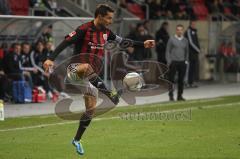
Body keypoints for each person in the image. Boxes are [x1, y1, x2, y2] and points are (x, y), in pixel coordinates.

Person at [43, 4, 155, 156]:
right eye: (108, 18)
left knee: (91, 110)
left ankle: (76, 140)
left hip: (89, 78)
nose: (110, 21)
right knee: (87, 67)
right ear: (100, 16)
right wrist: (50, 59)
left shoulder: (106, 33)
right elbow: (66, 42)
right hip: (75, 70)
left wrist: (143, 44)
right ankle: (110, 94)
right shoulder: (84, 29)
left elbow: (123, 41)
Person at [166, 24, 189, 101]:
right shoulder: (171, 39)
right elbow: (168, 51)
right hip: (173, 62)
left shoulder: (185, 40)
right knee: (171, 80)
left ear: (183, 31)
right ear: (176, 31)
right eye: (178, 30)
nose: (179, 31)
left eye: (181, 30)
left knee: (181, 80)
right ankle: (171, 95)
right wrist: (169, 61)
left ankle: (180, 96)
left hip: (182, 62)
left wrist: (186, 61)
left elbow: (187, 51)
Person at [185, 20, 200, 88]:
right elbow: (190, 42)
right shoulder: (188, 31)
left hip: (194, 53)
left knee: (193, 68)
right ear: (190, 24)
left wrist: (198, 49)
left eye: (195, 24)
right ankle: (186, 82)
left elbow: (196, 41)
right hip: (189, 53)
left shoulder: (194, 31)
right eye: (193, 24)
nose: (194, 25)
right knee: (189, 67)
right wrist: (197, 49)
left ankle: (191, 82)